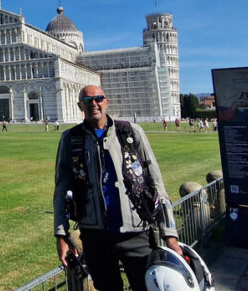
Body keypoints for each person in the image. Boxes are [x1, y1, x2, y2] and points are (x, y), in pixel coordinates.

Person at [53, 86, 181, 291]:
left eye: (98, 98)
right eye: (87, 99)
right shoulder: (70, 139)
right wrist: (61, 234)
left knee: (147, 286)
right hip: (95, 236)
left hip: (136, 232)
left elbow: (156, 182)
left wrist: (169, 233)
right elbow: (61, 189)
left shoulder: (130, 132)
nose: (93, 103)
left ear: (106, 102)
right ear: (80, 105)